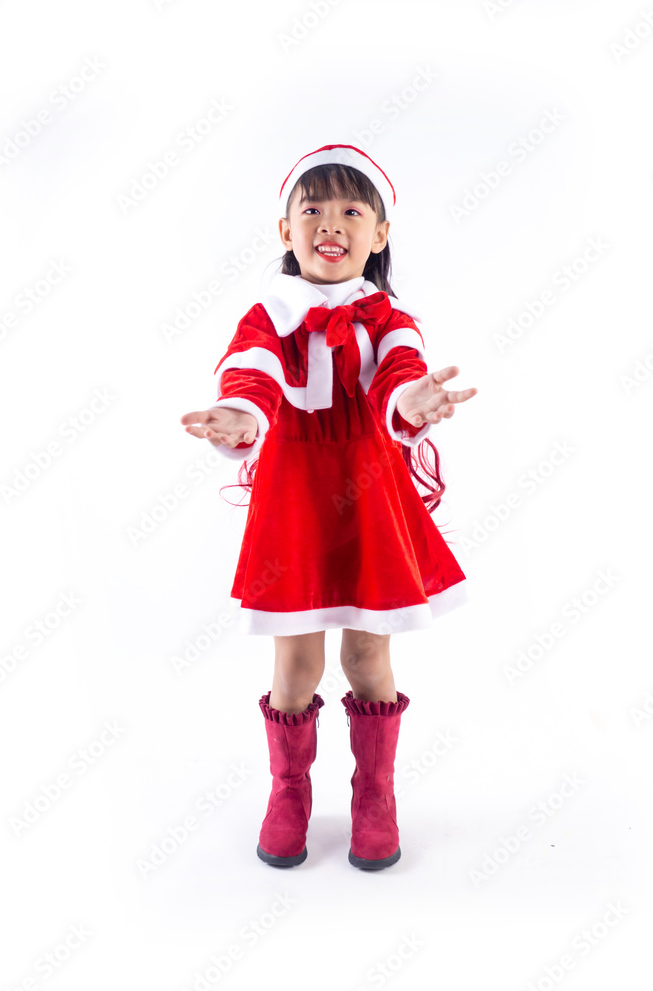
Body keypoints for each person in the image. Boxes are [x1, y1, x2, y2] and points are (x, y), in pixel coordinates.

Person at [180, 143, 477, 870]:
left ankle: (375, 796)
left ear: (379, 235)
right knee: (297, 664)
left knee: (369, 649)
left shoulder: (387, 316)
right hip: (296, 499)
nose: (329, 223)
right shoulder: (269, 312)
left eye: (352, 210)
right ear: (286, 232)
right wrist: (240, 418)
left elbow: (400, 378)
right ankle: (290, 794)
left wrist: (417, 401)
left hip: (369, 494)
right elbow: (248, 373)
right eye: (311, 210)